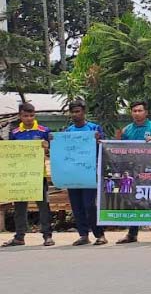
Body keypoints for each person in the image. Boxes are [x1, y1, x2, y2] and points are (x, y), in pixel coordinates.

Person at [116, 101, 151, 245]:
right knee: (134, 201)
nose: (137, 113)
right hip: (134, 170)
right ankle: (132, 234)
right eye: (134, 111)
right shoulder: (126, 130)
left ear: (146, 112)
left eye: (140, 110)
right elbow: (122, 151)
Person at [2, 103, 54, 247]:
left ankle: (47, 236)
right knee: (19, 207)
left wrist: (47, 147)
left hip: (39, 174)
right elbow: (10, 153)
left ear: (35, 115)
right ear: (20, 116)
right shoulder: (15, 133)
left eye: (31, 115)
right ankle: (19, 236)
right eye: (25, 115)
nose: (29, 118)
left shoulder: (44, 131)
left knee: (44, 206)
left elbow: (54, 151)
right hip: (21, 175)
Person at [62, 99, 108, 246]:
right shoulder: (68, 131)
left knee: (89, 205)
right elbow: (62, 150)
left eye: (78, 111)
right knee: (76, 205)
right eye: (73, 112)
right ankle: (83, 235)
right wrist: (54, 140)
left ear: (84, 112)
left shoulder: (94, 128)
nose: (75, 114)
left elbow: (105, 147)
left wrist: (98, 140)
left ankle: (100, 234)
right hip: (73, 173)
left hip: (89, 172)